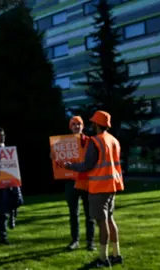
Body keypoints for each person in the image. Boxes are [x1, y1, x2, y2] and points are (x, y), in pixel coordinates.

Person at [63, 111, 124, 268]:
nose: (91, 125)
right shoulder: (114, 140)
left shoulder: (95, 141)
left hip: (99, 187)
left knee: (102, 222)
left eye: (93, 122)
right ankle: (116, 255)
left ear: (97, 124)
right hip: (112, 185)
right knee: (110, 219)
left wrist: (70, 166)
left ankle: (103, 258)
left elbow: (87, 165)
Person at [64, 116, 96, 251]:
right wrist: (54, 156)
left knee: (89, 213)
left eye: (79, 124)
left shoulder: (89, 141)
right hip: (70, 182)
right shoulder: (63, 143)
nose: (76, 126)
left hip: (86, 181)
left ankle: (90, 242)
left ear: (83, 126)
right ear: (70, 127)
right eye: (73, 124)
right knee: (73, 213)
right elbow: (59, 160)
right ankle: (75, 240)